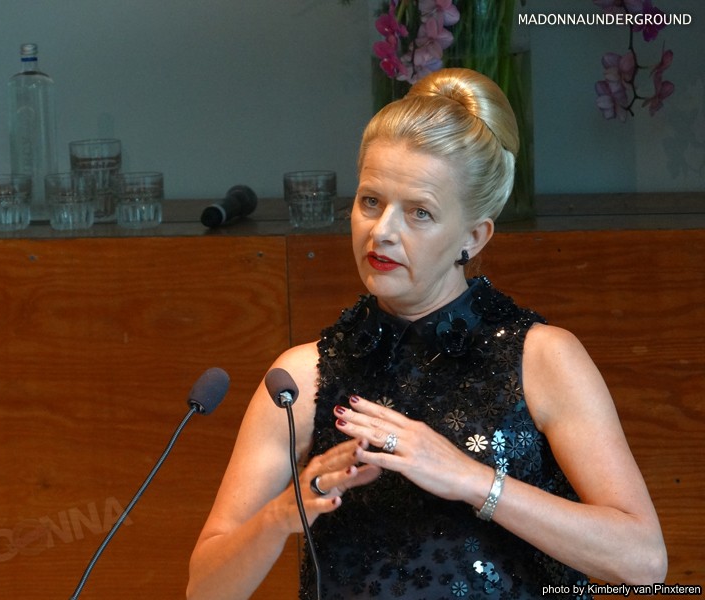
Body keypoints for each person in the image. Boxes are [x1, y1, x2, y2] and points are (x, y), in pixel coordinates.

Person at [186, 68, 667, 599]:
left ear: (473, 236)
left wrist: (469, 478)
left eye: (419, 212)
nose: (382, 231)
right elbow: (205, 590)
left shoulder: (542, 358)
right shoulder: (299, 379)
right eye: (370, 201)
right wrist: (282, 514)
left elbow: (643, 562)